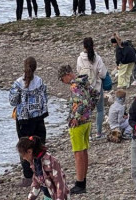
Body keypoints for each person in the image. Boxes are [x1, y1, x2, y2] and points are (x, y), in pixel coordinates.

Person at [9, 57, 49, 188]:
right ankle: (41, 172)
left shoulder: (18, 83)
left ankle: (28, 177)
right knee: (39, 145)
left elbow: (12, 101)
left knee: (24, 146)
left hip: (24, 119)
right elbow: (45, 99)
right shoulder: (40, 82)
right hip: (38, 118)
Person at [59, 63, 96, 196]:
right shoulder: (84, 82)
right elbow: (95, 95)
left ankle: (80, 183)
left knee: (78, 153)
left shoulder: (74, 86)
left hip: (78, 124)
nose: (62, 82)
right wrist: (89, 112)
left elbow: (82, 102)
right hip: (87, 122)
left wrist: (77, 117)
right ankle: (82, 181)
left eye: (62, 79)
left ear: (67, 75)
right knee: (84, 151)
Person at [76, 37, 108, 139]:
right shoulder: (97, 58)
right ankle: (98, 133)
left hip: (85, 89)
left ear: (83, 46)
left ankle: (88, 135)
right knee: (100, 110)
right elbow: (103, 74)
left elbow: (78, 72)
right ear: (93, 45)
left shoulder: (80, 58)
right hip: (97, 87)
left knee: (87, 112)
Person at [17, 136, 68, 200]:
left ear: (29, 151)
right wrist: (30, 198)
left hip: (58, 196)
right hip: (47, 196)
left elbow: (60, 185)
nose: (23, 158)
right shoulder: (35, 162)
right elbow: (36, 183)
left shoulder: (52, 162)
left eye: (23, 155)